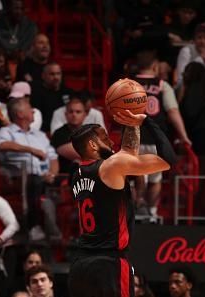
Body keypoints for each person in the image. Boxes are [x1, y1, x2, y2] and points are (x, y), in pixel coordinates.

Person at [68, 104, 176, 296]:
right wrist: (147, 121)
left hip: (80, 264)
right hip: (108, 263)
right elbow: (168, 160)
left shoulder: (76, 174)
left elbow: (127, 153)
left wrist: (131, 125)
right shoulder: (110, 167)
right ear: (93, 145)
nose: (110, 141)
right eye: (104, 138)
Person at [133, 49, 190, 217]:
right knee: (155, 179)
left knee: (135, 175)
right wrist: (184, 136)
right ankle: (151, 212)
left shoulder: (127, 84)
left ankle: (136, 208)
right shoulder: (162, 85)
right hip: (155, 139)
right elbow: (173, 112)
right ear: (154, 66)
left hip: (132, 138)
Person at [0, 97, 61, 241]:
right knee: (34, 180)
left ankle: (60, 234)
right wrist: (30, 150)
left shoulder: (40, 135)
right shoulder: (6, 132)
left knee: (58, 188)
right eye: (29, 107)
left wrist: (51, 173)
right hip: (18, 179)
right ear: (20, 114)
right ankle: (33, 227)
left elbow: (53, 158)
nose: (33, 111)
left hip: (43, 179)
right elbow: (2, 145)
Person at [175, 23, 205, 88]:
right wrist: (200, 59)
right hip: (190, 88)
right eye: (199, 37)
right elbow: (181, 80)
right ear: (194, 39)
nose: (202, 41)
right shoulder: (186, 51)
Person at [30, 62, 72, 133]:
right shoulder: (36, 94)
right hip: (43, 132)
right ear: (43, 76)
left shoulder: (69, 93)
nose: (56, 77)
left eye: (58, 74)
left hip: (66, 132)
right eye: (52, 74)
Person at [51, 97, 87, 174]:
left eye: (78, 112)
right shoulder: (59, 134)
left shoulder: (91, 132)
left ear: (85, 115)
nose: (74, 115)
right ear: (66, 114)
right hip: (65, 176)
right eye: (71, 112)